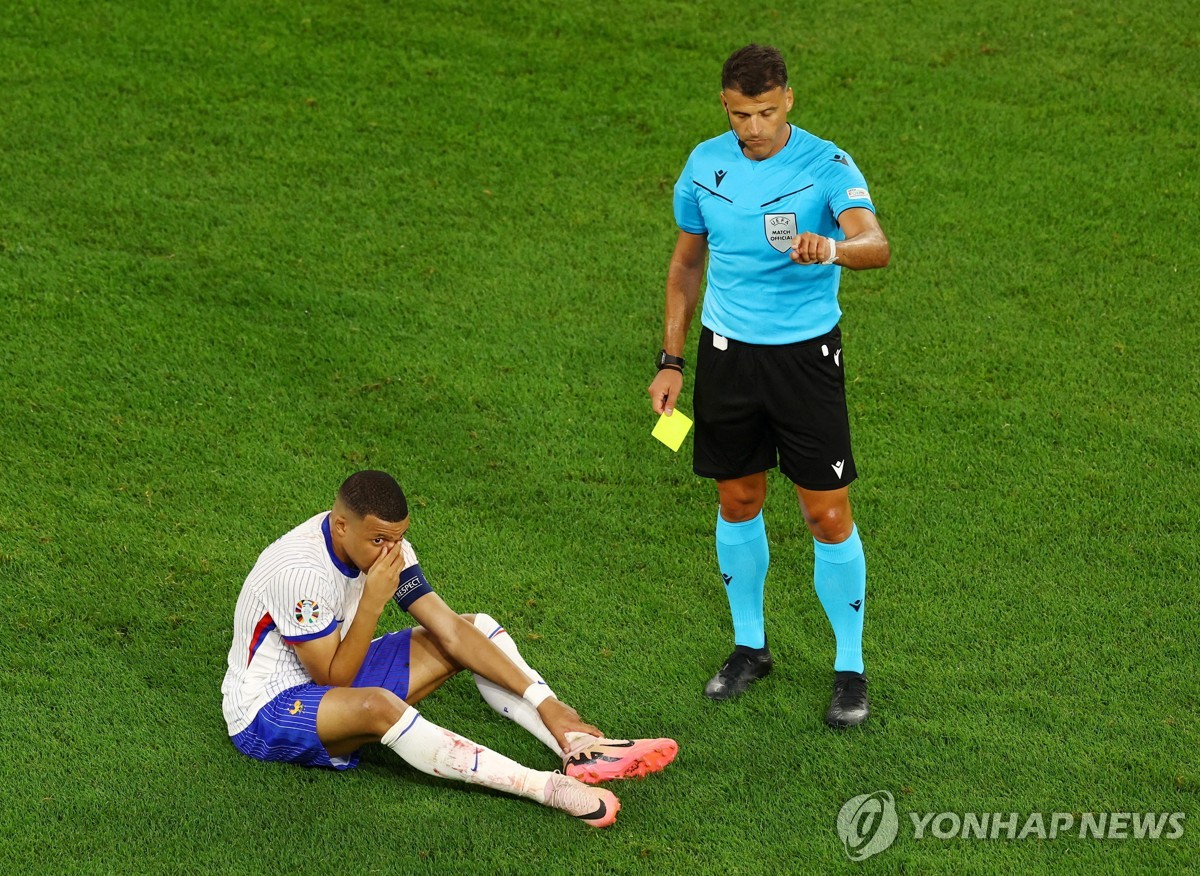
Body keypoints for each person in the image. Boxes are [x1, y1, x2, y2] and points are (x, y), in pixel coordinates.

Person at [647, 44, 890, 728]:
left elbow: (876, 242)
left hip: (805, 362)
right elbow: (686, 263)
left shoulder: (826, 165)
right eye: (739, 114)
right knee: (738, 498)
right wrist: (671, 359)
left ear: (789, 101)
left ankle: (850, 666)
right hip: (728, 360)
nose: (752, 127)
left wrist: (835, 247)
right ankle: (750, 647)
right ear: (723, 106)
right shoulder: (704, 165)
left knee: (826, 514)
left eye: (764, 112)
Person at [221, 470, 678, 827]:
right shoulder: (298, 572)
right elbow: (332, 679)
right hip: (268, 710)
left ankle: (578, 747)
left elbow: (454, 634)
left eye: (397, 539)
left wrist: (548, 702)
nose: (390, 552)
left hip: (337, 669)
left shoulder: (387, 546)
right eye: (378, 540)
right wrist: (374, 604)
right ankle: (546, 788)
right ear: (341, 526)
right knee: (378, 706)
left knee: (472, 626)